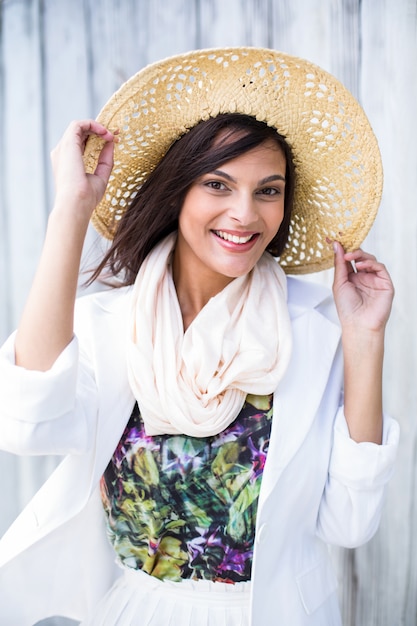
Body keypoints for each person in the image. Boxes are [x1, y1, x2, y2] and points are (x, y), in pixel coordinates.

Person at [0, 47, 399, 626]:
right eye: (218, 184)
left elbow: (349, 522)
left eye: (268, 190)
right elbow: (24, 422)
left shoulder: (315, 327)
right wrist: (72, 207)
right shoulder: (111, 327)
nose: (245, 214)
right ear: (177, 190)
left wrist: (365, 340)